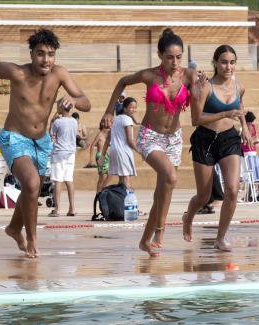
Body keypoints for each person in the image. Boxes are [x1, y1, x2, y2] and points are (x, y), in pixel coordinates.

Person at [0, 29, 91, 258]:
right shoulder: (16, 73)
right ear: (32, 54)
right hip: (14, 137)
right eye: (40, 54)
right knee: (32, 183)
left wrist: (73, 99)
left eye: (51, 54)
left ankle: (14, 228)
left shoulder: (59, 74)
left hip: (41, 142)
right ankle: (32, 239)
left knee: (31, 190)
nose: (46, 60)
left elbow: (86, 103)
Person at [100, 29, 195, 257]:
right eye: (170, 57)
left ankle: (148, 239)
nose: (175, 62)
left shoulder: (189, 76)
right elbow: (122, 82)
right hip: (150, 136)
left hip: (173, 139)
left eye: (179, 57)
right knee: (170, 177)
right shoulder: (149, 75)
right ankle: (159, 230)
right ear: (160, 55)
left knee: (164, 189)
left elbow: (205, 93)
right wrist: (108, 111)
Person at [182, 44, 252, 252]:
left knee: (232, 190)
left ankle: (220, 238)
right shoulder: (206, 87)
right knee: (203, 197)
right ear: (215, 63)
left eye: (231, 62)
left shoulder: (239, 86)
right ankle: (188, 216)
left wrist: (245, 129)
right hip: (205, 139)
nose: (228, 66)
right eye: (223, 62)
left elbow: (239, 109)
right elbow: (196, 119)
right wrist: (223, 114)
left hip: (229, 138)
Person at [48, 100, 79, 218]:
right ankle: (72, 208)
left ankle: (57, 209)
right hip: (71, 153)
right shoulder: (74, 122)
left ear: (61, 107)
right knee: (69, 180)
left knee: (58, 180)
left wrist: (52, 121)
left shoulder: (57, 122)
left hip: (59, 152)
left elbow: (52, 135)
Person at [100, 97, 138, 189]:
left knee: (121, 179)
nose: (133, 110)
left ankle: (120, 201)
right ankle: (128, 201)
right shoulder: (127, 119)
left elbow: (108, 139)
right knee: (126, 179)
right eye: (131, 108)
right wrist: (140, 151)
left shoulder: (115, 119)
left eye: (135, 108)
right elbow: (130, 140)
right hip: (123, 152)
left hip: (114, 151)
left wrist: (102, 155)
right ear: (124, 108)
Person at [88, 122, 110, 192]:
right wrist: (90, 159)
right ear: (103, 125)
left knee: (107, 175)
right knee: (102, 176)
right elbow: (92, 146)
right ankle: (99, 193)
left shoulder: (107, 135)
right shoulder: (99, 135)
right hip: (100, 156)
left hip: (106, 156)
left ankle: (101, 192)